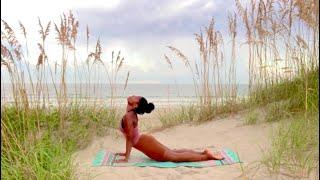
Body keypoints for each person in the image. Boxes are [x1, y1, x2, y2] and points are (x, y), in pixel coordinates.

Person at [115, 95, 224, 163]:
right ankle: (203, 153)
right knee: (173, 152)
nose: (134, 95)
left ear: (134, 105)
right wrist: (126, 153)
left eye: (136, 98)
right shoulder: (130, 112)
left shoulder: (129, 116)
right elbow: (130, 137)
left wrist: (126, 158)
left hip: (146, 143)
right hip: (145, 141)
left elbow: (129, 138)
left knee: (173, 156)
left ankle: (206, 157)